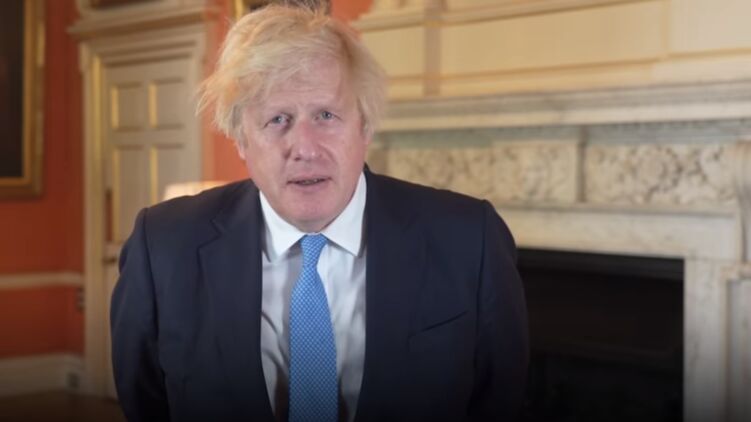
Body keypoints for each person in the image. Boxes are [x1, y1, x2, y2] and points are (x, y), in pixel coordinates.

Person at [111, 4, 528, 422]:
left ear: (365, 126)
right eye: (278, 119)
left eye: (326, 115)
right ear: (241, 140)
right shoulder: (162, 246)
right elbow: (145, 402)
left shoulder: (469, 239)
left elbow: (500, 402)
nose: (305, 149)